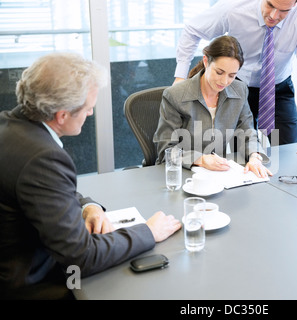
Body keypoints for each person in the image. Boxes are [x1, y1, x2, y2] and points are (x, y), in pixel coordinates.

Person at [0, 52, 181, 299]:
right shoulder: (42, 157)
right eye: (87, 108)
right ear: (62, 115)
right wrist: (148, 231)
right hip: (31, 282)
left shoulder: (12, 127)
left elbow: (42, 188)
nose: (91, 113)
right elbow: (82, 257)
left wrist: (88, 206)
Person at [173, 0, 297, 153]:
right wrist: (180, 76)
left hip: (278, 89)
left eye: (284, 10)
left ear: (295, 4)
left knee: (286, 152)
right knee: (242, 153)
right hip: (238, 87)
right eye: (270, 5)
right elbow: (193, 30)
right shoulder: (234, 6)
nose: (274, 16)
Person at [154, 35, 272, 178]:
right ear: (206, 61)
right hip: (180, 174)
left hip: (217, 176)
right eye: (219, 72)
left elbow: (247, 131)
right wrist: (201, 159)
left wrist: (254, 156)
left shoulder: (239, 90)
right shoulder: (175, 95)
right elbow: (165, 149)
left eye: (232, 75)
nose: (224, 81)